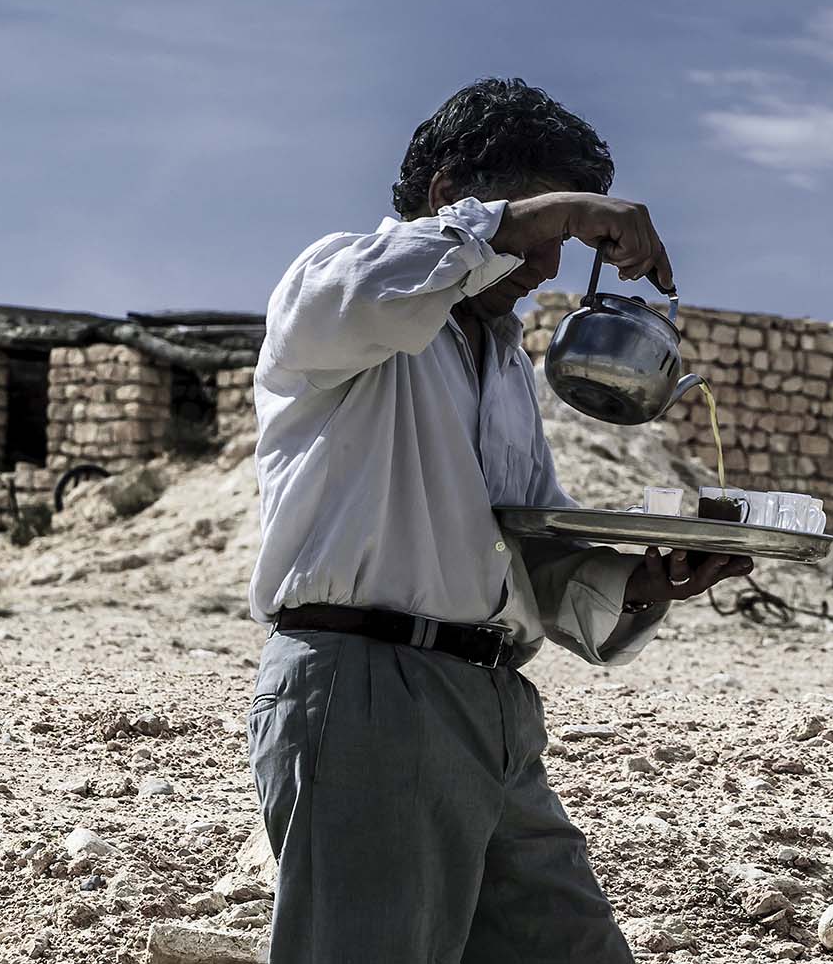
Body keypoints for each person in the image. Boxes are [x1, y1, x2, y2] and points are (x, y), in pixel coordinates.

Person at [244, 77, 751, 963]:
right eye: (549, 229)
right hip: (366, 691)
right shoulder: (338, 288)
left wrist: (643, 579)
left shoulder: (505, 362)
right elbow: (366, 291)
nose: (551, 264)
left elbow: (523, 545)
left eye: (564, 238)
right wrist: (551, 214)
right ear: (450, 193)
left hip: (495, 705)